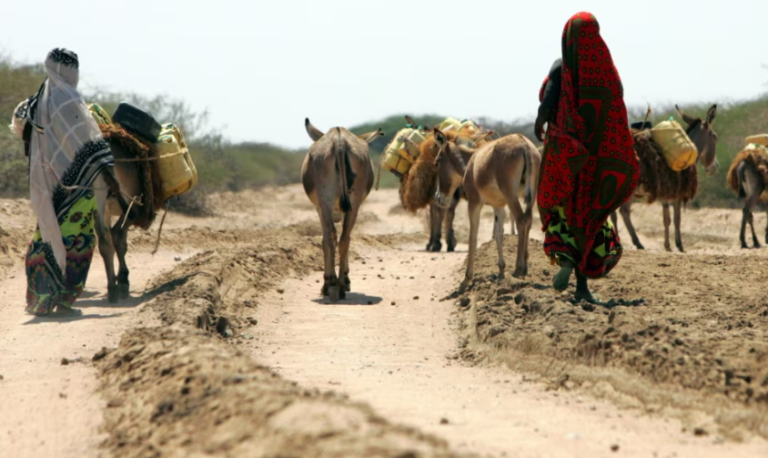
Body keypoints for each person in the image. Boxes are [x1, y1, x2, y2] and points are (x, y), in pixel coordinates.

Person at [534, 13, 639, 303]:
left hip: (566, 158)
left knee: (560, 213)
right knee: (591, 219)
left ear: (568, 37)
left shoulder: (561, 67)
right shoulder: (608, 72)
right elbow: (617, 111)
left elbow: (547, 104)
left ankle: (562, 261)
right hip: (597, 164)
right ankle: (583, 286)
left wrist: (540, 123)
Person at [11, 48, 116, 316]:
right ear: (70, 71)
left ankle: (41, 299)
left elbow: (18, 124)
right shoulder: (69, 99)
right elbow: (89, 139)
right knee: (78, 239)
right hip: (75, 187)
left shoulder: (36, 100)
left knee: (45, 235)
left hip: (45, 184)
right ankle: (65, 302)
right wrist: (107, 167)